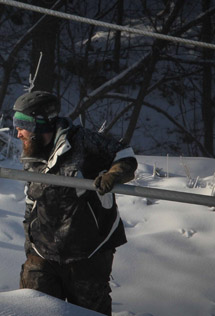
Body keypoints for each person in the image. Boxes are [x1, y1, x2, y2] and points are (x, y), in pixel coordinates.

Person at [12, 90, 137, 315]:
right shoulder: (33, 152)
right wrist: (29, 242)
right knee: (29, 309)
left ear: (41, 123)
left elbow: (125, 154)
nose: (18, 132)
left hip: (87, 254)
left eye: (22, 123)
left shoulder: (82, 142)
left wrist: (114, 174)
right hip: (42, 252)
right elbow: (31, 200)